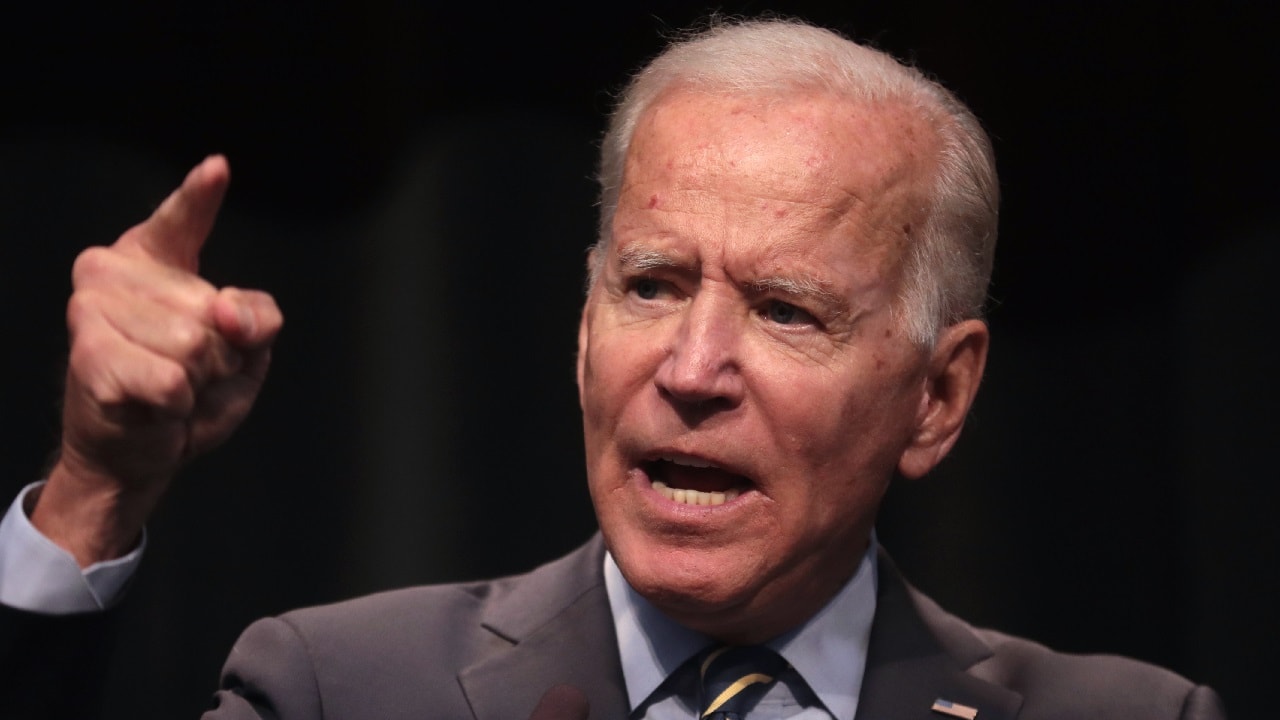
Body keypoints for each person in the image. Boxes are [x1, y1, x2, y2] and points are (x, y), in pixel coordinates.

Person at [0, 17, 1226, 720]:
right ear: (583, 328)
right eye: (650, 285)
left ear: (937, 396)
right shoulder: (343, 689)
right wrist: (94, 488)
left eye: (785, 311)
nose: (692, 369)